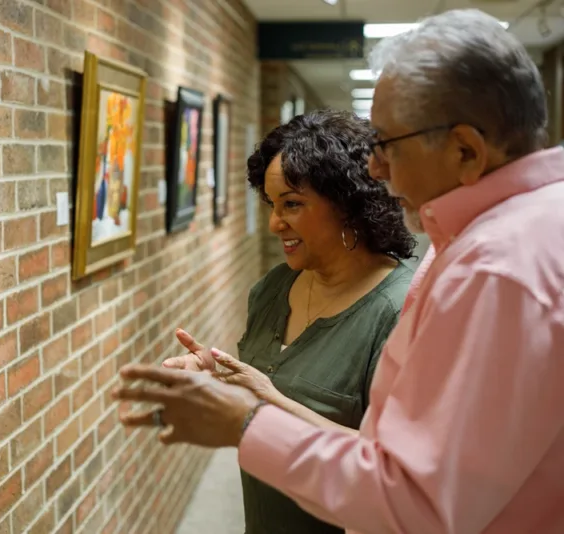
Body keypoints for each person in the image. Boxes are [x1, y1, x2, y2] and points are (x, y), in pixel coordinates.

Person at [112, 8, 564, 534]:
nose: (374, 168)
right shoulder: (500, 237)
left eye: (387, 145)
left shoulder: (497, 271)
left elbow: (414, 504)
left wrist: (245, 422)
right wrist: (252, 398)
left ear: (465, 149)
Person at [161, 109, 418, 534]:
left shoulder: (400, 311)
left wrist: (269, 401)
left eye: (292, 204)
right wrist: (218, 376)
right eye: (271, 204)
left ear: (348, 203)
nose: (273, 223)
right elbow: (263, 381)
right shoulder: (273, 289)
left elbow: (399, 473)